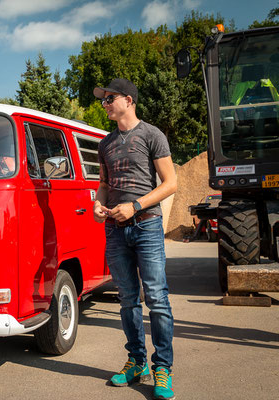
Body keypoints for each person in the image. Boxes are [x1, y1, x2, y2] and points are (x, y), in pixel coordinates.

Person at [92, 78, 177, 400]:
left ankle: (163, 367)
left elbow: (171, 183)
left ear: (128, 100)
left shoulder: (152, 135)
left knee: (156, 298)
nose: (105, 104)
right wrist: (98, 205)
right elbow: (103, 183)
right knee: (127, 299)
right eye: (103, 99)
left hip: (146, 225)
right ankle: (136, 362)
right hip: (114, 229)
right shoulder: (105, 144)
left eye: (109, 98)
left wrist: (136, 205)